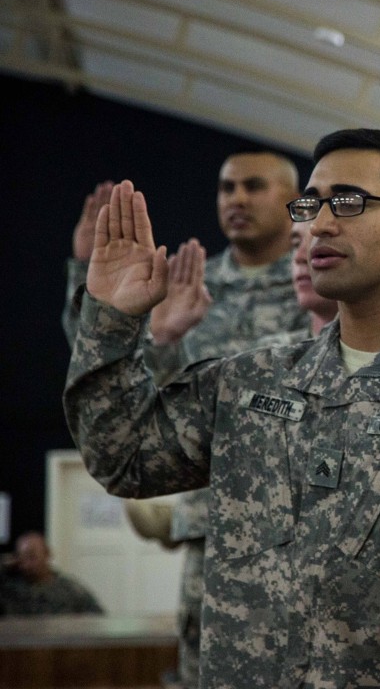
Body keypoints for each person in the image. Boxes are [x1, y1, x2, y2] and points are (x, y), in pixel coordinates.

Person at [63, 129, 380, 687]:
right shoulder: (253, 381)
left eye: (350, 202)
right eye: (311, 205)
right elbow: (123, 457)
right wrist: (111, 320)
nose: (321, 225)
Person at [63, 152, 308, 688]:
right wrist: (154, 331)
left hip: (305, 521)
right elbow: (115, 389)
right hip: (214, 522)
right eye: (226, 188)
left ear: (294, 202)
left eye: (253, 187)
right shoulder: (188, 283)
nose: (236, 199)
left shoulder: (313, 284)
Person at [0, 532, 103, 616]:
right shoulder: (9, 589)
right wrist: (4, 563)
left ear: (47, 554)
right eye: (21, 558)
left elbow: (98, 617)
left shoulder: (69, 589)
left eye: (31, 556)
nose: (26, 564)